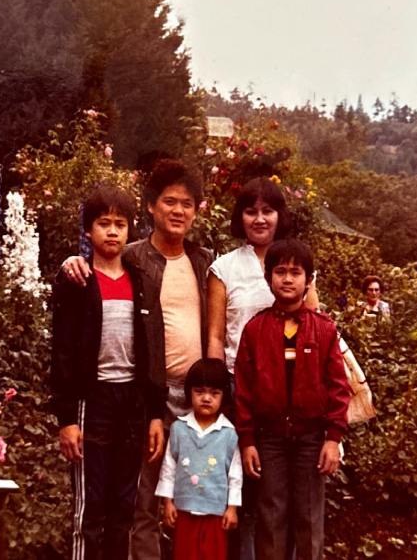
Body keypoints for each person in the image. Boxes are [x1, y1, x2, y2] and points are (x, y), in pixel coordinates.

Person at [62, 159, 213, 560]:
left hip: (195, 400)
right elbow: (92, 271)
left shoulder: (204, 262)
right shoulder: (132, 259)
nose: (178, 211)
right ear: (150, 207)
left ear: (197, 210)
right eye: (169, 201)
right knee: (136, 504)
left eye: (187, 203)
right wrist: (69, 262)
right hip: (140, 398)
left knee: (197, 501)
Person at [49, 185, 167, 560]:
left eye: (120, 224)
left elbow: (153, 350)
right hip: (92, 403)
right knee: (90, 507)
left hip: (131, 405)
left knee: (124, 506)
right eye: (103, 224)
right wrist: (67, 418)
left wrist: (155, 414)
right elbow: (63, 352)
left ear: (131, 229)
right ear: (88, 231)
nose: (112, 232)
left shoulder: (141, 281)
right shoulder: (78, 281)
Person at [205, 177, 317, 560]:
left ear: (279, 215)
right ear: (240, 217)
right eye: (250, 211)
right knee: (243, 486)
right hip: (240, 387)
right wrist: (218, 393)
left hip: (290, 393)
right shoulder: (224, 268)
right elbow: (217, 336)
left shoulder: (295, 261)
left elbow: (312, 324)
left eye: (267, 210)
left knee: (283, 492)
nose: (259, 219)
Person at [233, 239, 350, 560]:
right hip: (268, 440)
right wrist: (247, 441)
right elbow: (243, 390)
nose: (287, 279)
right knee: (271, 516)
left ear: (308, 279)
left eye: (295, 272)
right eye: (280, 271)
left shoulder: (324, 329)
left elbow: (339, 387)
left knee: (308, 517)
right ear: (268, 276)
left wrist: (333, 438)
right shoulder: (255, 330)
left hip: (311, 439)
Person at [156, 358, 242, 560]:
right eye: (200, 391)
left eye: (214, 393)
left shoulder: (229, 434)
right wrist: (168, 502)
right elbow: (168, 469)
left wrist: (232, 508)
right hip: (184, 512)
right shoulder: (179, 430)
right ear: (189, 392)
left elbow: (235, 474)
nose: (206, 398)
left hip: (216, 515)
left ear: (223, 397)